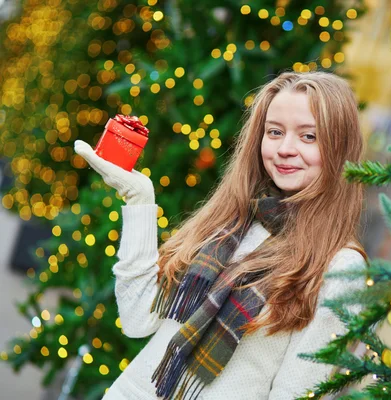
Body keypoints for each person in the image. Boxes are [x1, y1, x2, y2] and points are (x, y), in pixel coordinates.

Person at [74, 70, 367, 400]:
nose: (285, 148)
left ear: (340, 150)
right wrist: (140, 199)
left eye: (308, 137)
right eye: (275, 132)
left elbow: (298, 393)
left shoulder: (341, 266)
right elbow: (137, 318)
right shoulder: (234, 218)